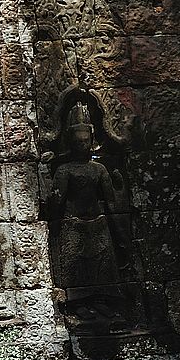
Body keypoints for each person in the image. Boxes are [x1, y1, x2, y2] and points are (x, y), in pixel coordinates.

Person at [50, 102, 124, 325]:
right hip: (73, 223)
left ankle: (102, 299)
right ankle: (79, 302)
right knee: (76, 264)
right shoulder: (65, 170)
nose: (83, 145)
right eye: (78, 142)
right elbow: (57, 200)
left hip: (98, 222)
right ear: (71, 144)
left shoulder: (98, 169)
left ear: (92, 142)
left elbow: (110, 198)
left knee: (103, 263)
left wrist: (118, 223)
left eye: (86, 141)